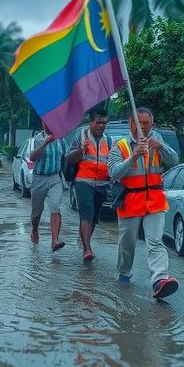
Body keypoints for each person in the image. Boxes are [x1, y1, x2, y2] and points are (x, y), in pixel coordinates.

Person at [107, 107, 181, 299]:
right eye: (138, 123)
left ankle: (159, 280)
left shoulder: (157, 141)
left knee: (155, 241)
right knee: (127, 244)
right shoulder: (120, 145)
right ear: (131, 123)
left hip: (155, 200)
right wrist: (133, 156)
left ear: (152, 124)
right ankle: (124, 274)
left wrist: (161, 147)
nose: (143, 127)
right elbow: (114, 172)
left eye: (146, 124)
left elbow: (174, 161)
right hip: (130, 201)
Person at [65, 109, 113, 262]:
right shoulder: (80, 136)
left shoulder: (110, 141)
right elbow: (68, 158)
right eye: (98, 122)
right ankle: (87, 249)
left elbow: (112, 162)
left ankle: (86, 241)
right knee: (87, 213)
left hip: (103, 183)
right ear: (90, 122)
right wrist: (81, 150)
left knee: (94, 217)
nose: (101, 126)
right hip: (83, 180)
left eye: (104, 123)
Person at [28, 123, 70, 251]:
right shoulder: (38, 138)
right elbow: (32, 157)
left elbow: (67, 156)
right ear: (43, 123)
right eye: (47, 122)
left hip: (55, 178)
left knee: (55, 206)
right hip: (39, 178)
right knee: (36, 212)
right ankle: (35, 229)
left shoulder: (61, 139)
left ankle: (55, 240)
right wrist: (45, 143)